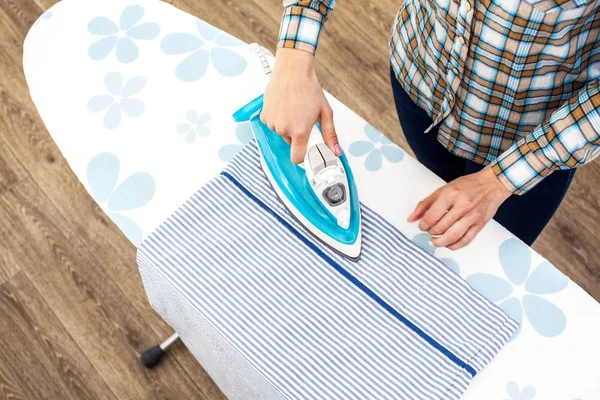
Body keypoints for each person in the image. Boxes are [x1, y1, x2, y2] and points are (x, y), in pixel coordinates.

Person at [261, 0, 600, 250]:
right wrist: (293, 56)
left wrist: (498, 183)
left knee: (482, 251)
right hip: (422, 82)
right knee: (431, 185)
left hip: (532, 141)